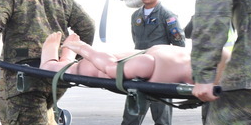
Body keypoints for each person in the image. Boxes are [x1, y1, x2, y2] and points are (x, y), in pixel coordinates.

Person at [104, 0, 184, 125]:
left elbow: (179, 45)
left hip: (160, 75)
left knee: (162, 119)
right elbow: (138, 46)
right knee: (130, 116)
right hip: (140, 74)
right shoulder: (136, 16)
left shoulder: (168, 15)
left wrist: (167, 68)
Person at [39, 31, 229, 84]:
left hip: (119, 62)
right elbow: (113, 68)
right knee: (78, 69)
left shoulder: (176, 56)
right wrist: (83, 48)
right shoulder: (152, 65)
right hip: (102, 65)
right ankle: (53, 63)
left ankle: (63, 60)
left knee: (85, 67)